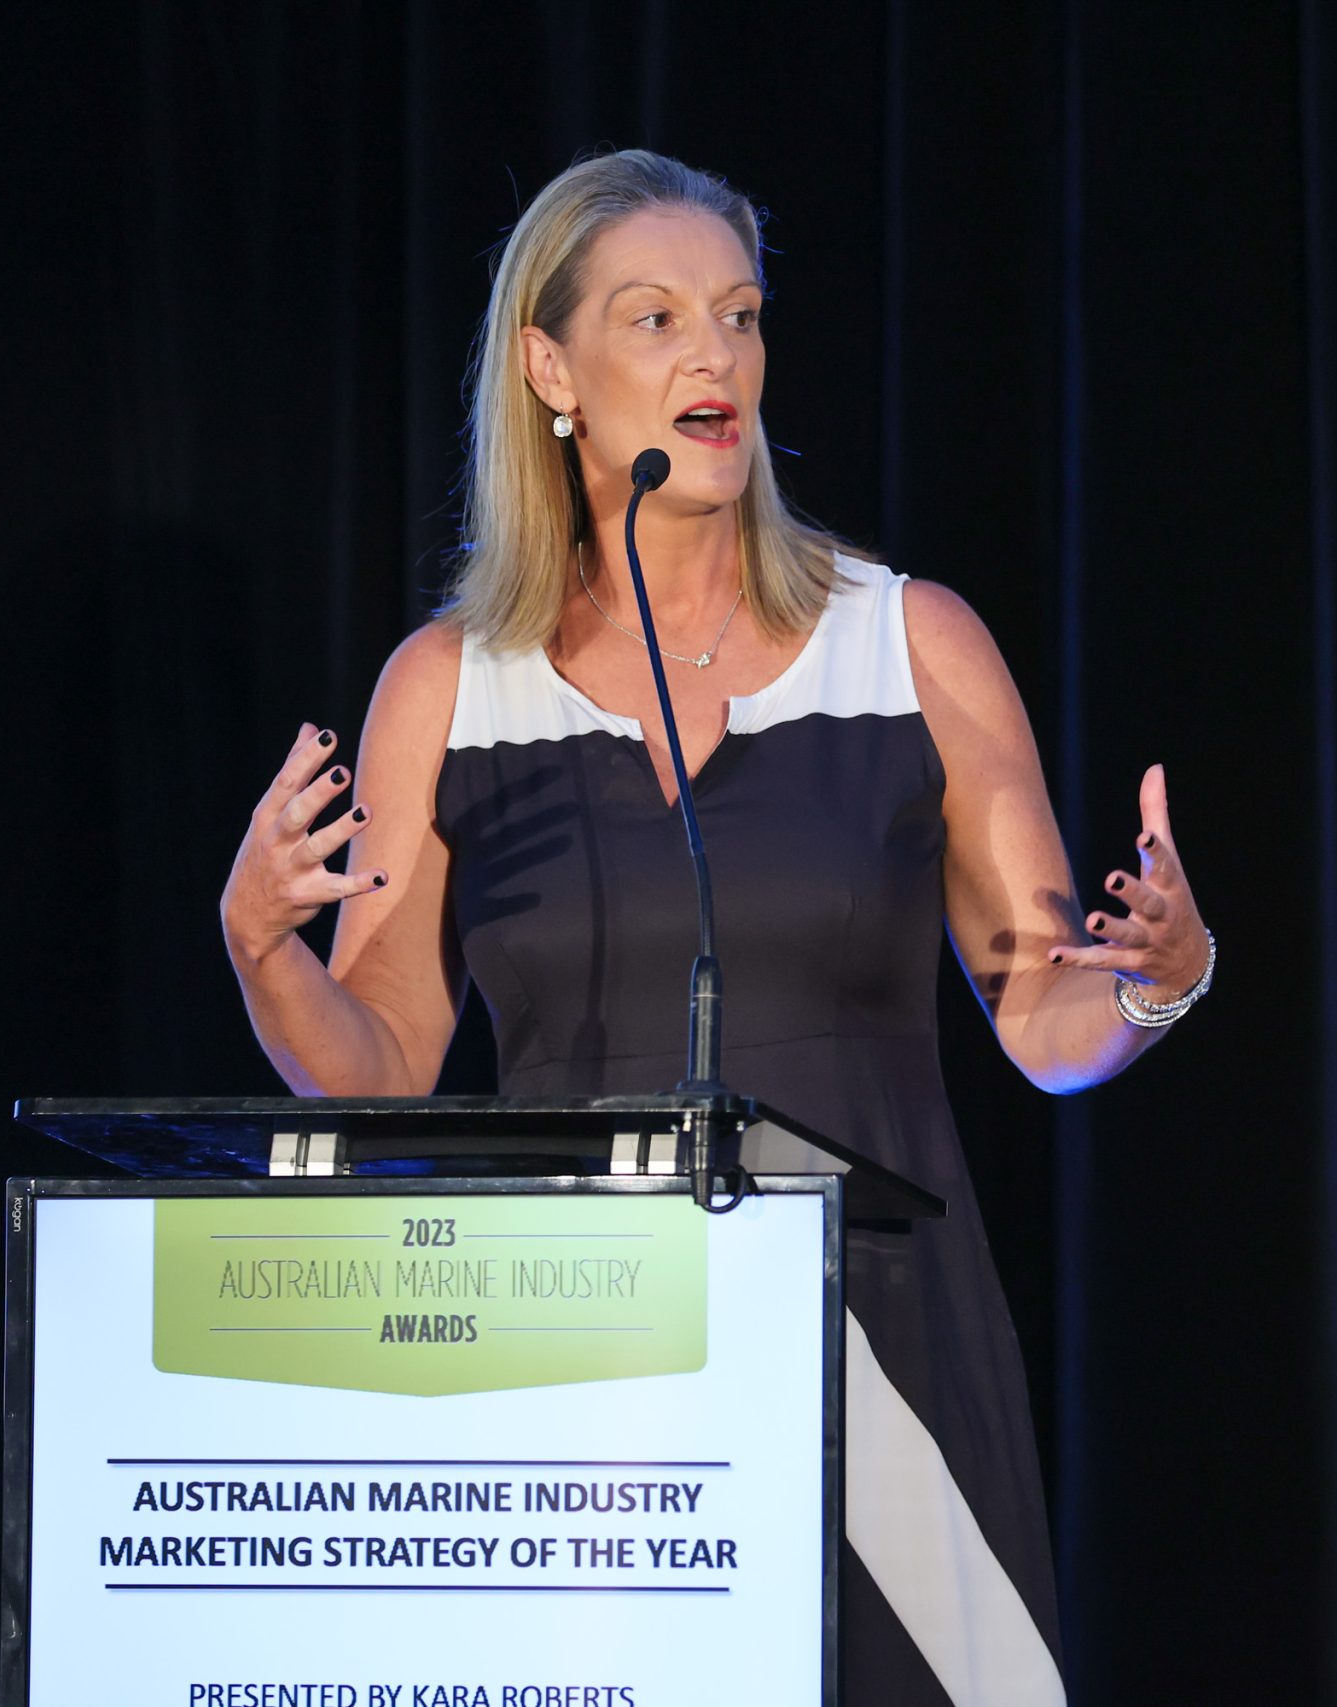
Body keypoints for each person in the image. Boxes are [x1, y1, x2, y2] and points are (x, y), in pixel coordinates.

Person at [219, 148, 1212, 1705]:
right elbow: (380, 1066)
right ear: (551, 369)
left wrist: (1162, 980)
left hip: (878, 1358)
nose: (717, 358)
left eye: (740, 317)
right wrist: (264, 949)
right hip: (581, 1377)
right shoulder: (453, 688)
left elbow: (1045, 1020)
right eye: (658, 318)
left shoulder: (907, 644)